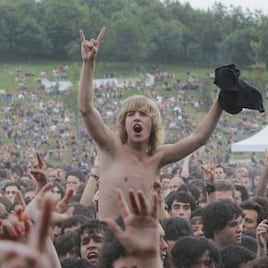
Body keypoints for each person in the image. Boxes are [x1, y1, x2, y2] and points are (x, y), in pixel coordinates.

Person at [79, 27, 223, 220]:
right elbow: (86, 109)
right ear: (124, 123)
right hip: (109, 241)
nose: (136, 117)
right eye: (130, 114)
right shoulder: (110, 147)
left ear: (153, 124)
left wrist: (221, 101)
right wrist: (88, 64)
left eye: (143, 114)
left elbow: (199, 138)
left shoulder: (158, 156)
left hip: (141, 243)